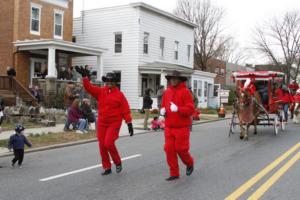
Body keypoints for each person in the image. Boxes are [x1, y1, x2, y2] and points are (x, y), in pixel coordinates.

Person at [76, 66, 134, 176]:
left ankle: (117, 162)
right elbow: (89, 88)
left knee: (108, 143)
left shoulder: (120, 95)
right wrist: (84, 77)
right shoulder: (101, 91)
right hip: (102, 122)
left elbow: (125, 110)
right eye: (107, 81)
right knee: (102, 145)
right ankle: (107, 167)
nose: (109, 83)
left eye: (111, 81)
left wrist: (129, 123)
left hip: (114, 122)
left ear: (115, 83)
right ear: (105, 82)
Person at [159, 70, 195, 181]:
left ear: (179, 80)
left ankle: (189, 163)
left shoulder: (185, 92)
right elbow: (163, 105)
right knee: (168, 149)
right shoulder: (167, 92)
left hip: (182, 127)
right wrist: (162, 111)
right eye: (171, 79)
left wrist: (178, 109)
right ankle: (174, 173)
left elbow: (190, 110)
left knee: (181, 149)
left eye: (175, 79)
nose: (173, 80)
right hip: (169, 126)